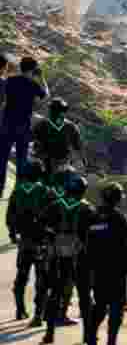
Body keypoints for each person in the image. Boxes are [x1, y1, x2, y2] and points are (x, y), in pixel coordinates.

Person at [82, 182, 127, 345]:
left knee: (100, 305)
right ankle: (111, 341)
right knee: (116, 308)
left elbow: (84, 241)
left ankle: (91, 336)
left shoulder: (92, 216)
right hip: (117, 271)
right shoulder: (118, 217)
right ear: (117, 199)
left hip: (98, 270)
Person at [41, 172, 94, 343]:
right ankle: (88, 335)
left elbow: (43, 226)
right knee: (84, 297)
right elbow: (92, 236)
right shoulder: (88, 209)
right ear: (82, 191)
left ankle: (49, 334)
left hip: (58, 257)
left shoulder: (54, 206)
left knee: (55, 295)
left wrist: (52, 241)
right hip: (80, 258)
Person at [7, 159, 57, 325]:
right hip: (42, 241)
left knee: (21, 275)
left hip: (25, 241)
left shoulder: (17, 191)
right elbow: (54, 215)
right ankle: (38, 314)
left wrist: (13, 235)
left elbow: (10, 216)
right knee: (42, 279)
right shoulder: (46, 191)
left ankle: (20, 309)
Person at [0, 56, 49, 195]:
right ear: (34, 69)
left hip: (7, 123)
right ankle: (18, 190)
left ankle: (0, 188)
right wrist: (42, 78)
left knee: (2, 158)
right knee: (22, 161)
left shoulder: (10, 80)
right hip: (23, 127)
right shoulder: (33, 85)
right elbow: (46, 96)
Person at [32, 98, 83, 180]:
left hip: (61, 164)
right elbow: (32, 140)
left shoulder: (71, 127)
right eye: (52, 109)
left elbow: (78, 147)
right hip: (43, 160)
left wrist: (79, 161)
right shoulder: (42, 124)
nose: (52, 111)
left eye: (55, 109)